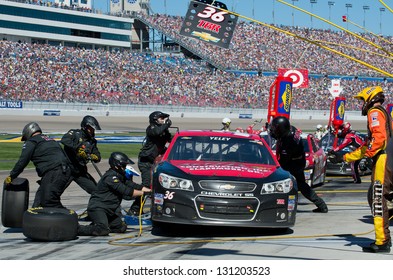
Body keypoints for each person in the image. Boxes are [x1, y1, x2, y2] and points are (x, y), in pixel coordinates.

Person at [337, 86, 392, 253]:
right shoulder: (384, 113)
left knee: (377, 199)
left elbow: (379, 139)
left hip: (383, 160)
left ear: (370, 98)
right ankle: (384, 238)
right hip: (387, 157)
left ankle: (382, 241)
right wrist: (345, 157)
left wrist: (368, 156)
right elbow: (369, 144)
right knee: (380, 199)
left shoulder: (374, 112)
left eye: (362, 100)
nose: (362, 104)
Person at [77, 152, 151, 236]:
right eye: (123, 166)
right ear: (116, 166)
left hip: (109, 210)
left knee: (121, 228)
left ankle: (98, 225)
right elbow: (127, 191)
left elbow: (134, 185)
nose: (125, 168)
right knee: (102, 230)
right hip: (98, 208)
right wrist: (144, 193)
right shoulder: (110, 178)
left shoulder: (120, 176)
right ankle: (78, 229)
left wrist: (150, 191)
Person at [4, 122, 71, 208]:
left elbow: (22, 161)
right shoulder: (51, 140)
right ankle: (34, 218)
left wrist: (12, 176)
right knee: (39, 201)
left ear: (28, 132)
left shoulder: (32, 141)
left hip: (54, 171)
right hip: (64, 171)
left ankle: (68, 219)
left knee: (49, 201)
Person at [270, 116, 328, 213]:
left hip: (293, 163)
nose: (274, 131)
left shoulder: (288, 141)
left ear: (282, 129)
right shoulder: (291, 129)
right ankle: (321, 205)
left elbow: (283, 162)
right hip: (298, 160)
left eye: (276, 128)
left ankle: (282, 206)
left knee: (283, 182)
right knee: (301, 185)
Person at [128, 111, 172, 215]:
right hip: (145, 162)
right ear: (155, 119)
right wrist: (166, 125)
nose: (163, 120)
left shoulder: (163, 130)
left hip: (155, 162)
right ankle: (134, 209)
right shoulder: (151, 128)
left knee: (157, 186)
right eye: (161, 118)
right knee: (146, 186)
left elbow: (171, 139)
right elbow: (156, 132)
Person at [61, 115, 102, 195]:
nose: (92, 131)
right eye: (90, 129)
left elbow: (98, 157)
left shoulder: (92, 141)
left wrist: (91, 156)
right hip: (66, 170)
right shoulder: (74, 133)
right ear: (85, 127)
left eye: (93, 129)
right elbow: (64, 140)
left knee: (97, 192)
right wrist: (77, 149)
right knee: (54, 191)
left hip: (80, 172)